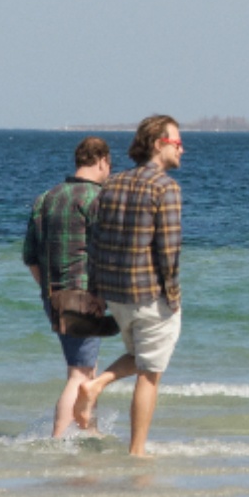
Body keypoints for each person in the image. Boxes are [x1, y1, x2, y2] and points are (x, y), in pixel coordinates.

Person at [74, 114, 184, 456]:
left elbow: (95, 241)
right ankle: (137, 452)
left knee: (140, 355)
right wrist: (174, 294)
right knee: (150, 373)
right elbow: (168, 250)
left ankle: (97, 384)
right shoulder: (165, 188)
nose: (182, 149)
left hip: (116, 293)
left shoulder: (112, 184)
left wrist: (96, 291)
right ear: (158, 144)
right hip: (149, 294)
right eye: (177, 143)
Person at [22, 135, 113, 438]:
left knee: (85, 370)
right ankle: (60, 440)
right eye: (108, 166)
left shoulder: (46, 198)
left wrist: (51, 292)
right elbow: (108, 252)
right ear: (102, 161)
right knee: (80, 375)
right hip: (85, 297)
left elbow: (30, 258)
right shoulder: (98, 199)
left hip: (54, 296)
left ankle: (89, 430)